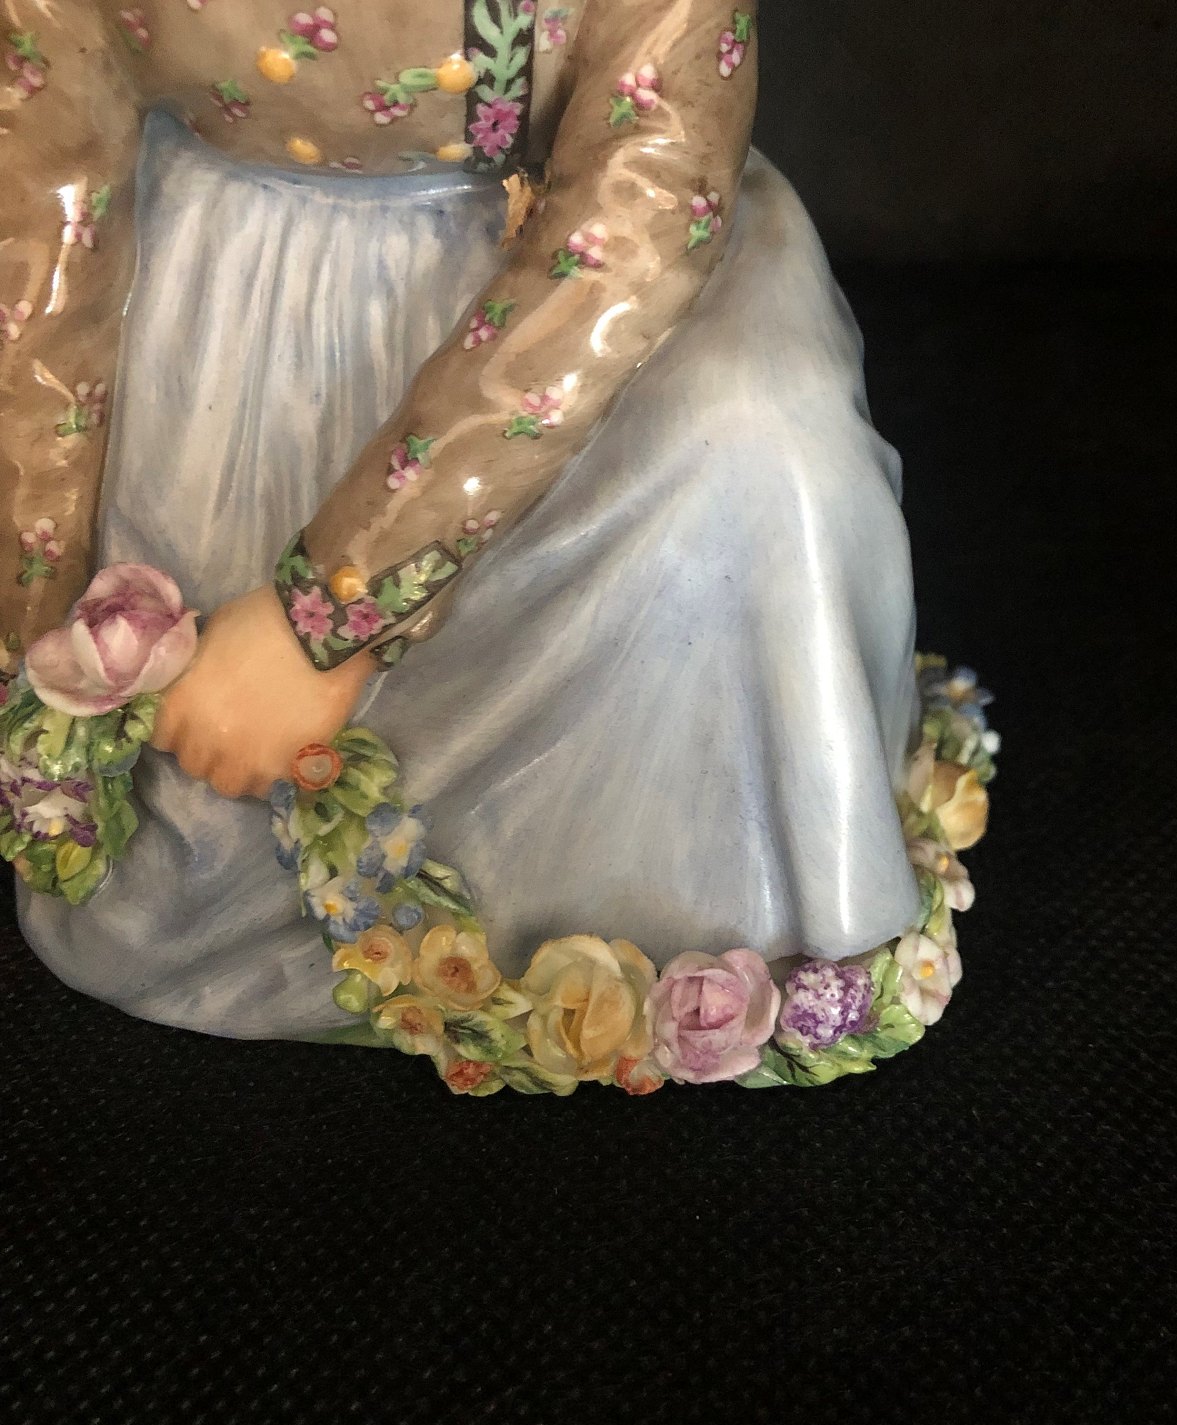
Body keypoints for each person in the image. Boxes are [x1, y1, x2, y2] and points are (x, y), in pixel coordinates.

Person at [1, 1, 923, 1039]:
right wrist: (37, 642)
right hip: (230, 313)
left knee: (764, 451)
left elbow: (642, 208)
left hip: (579, 291)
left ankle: (708, 923)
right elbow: (41, 214)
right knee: (186, 791)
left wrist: (327, 613)